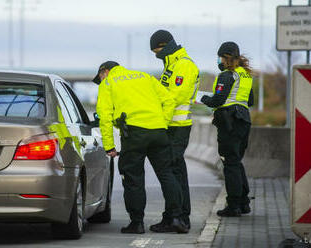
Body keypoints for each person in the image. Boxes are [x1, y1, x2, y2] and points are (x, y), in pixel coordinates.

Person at [94, 61, 188, 234]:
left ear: (105, 71)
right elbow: (168, 100)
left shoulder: (108, 83)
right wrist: (163, 123)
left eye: (100, 77)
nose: (101, 80)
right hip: (159, 132)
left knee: (133, 178)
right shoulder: (145, 76)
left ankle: (136, 223)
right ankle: (175, 218)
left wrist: (109, 147)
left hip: (134, 134)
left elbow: (105, 117)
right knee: (167, 174)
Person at [149, 30, 200, 231]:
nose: (156, 55)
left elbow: (174, 97)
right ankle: (176, 217)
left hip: (176, 128)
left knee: (170, 173)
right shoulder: (172, 64)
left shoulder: (184, 65)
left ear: (165, 45)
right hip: (172, 127)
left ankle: (177, 218)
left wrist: (158, 120)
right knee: (176, 173)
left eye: (157, 51)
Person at [201, 41, 254, 217]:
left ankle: (233, 206)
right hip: (244, 120)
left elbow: (218, 100)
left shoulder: (227, 75)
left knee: (230, 163)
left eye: (220, 57)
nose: (219, 60)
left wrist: (203, 99)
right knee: (236, 161)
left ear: (225, 57)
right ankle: (244, 202)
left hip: (229, 121)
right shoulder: (245, 75)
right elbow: (250, 101)